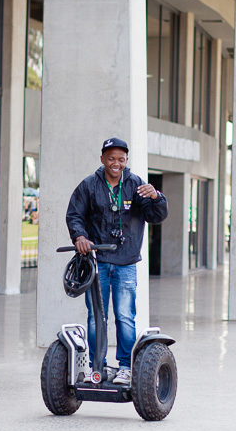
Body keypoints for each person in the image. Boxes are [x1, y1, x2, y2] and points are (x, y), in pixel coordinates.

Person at [66, 137, 169, 385]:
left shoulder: (136, 185)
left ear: (126, 160)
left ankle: (125, 367)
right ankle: (96, 366)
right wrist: (80, 236)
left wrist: (157, 197)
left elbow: (156, 216)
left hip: (126, 262)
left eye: (121, 159)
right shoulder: (89, 186)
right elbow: (74, 215)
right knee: (96, 317)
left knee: (124, 316)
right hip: (97, 262)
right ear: (102, 159)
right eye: (111, 159)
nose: (116, 163)